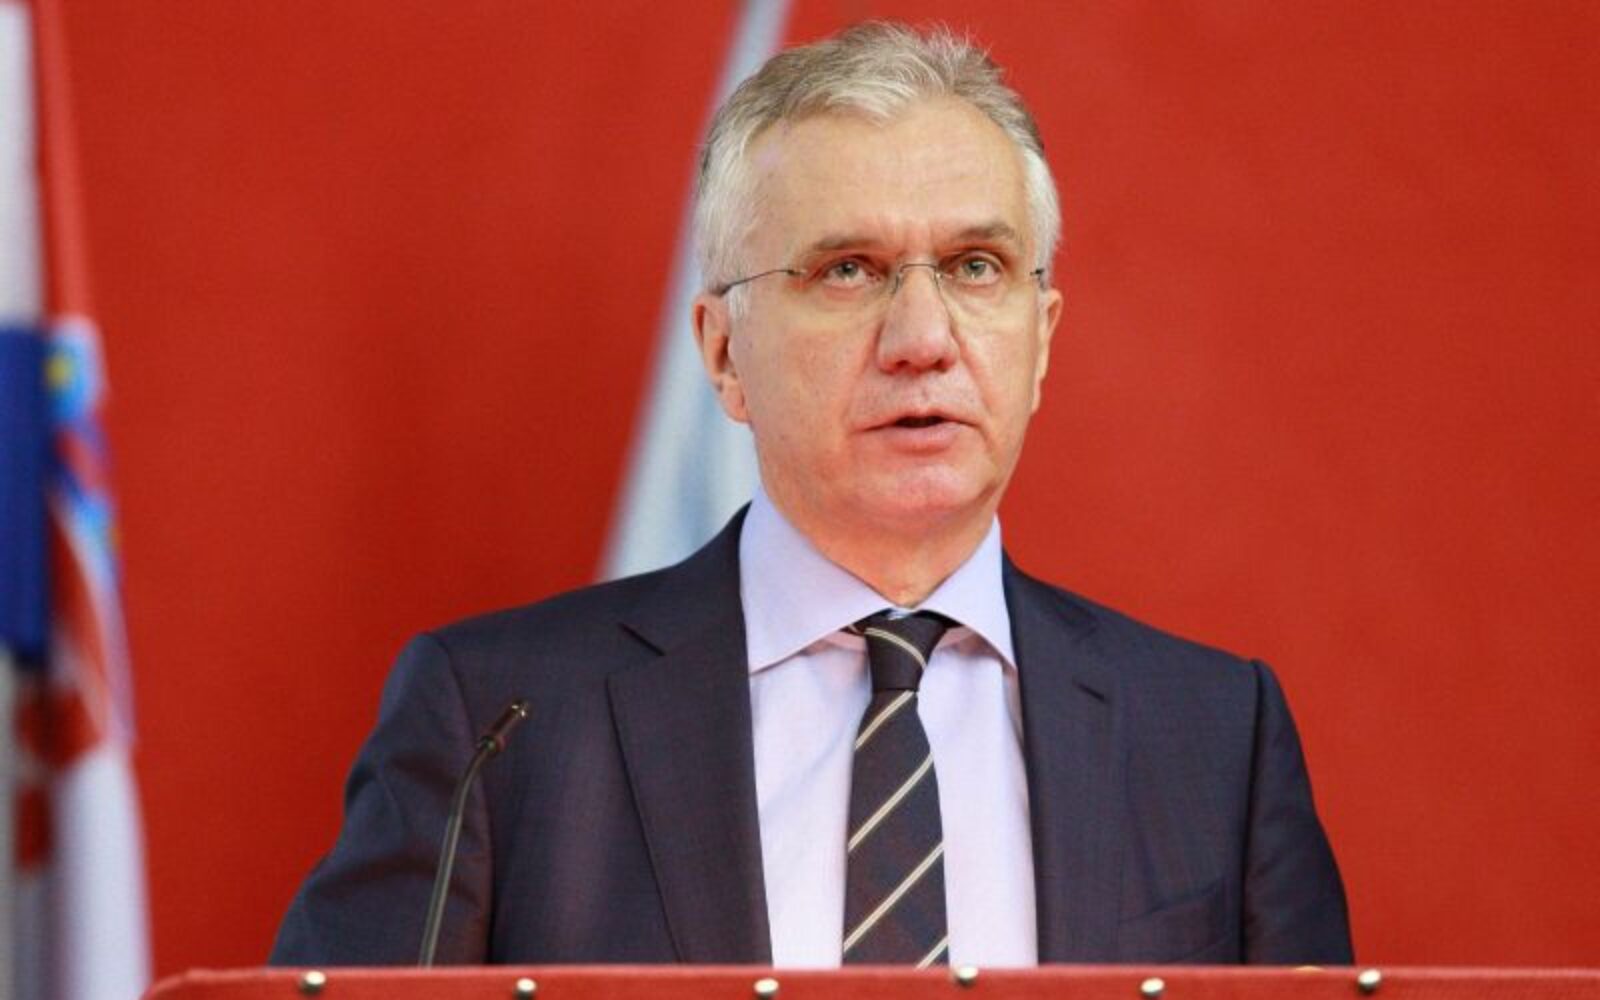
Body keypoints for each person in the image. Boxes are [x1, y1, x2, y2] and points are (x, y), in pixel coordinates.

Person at [271, 22, 1351, 968]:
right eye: (848, 271)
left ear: (1041, 341)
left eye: (976, 266)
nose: (922, 340)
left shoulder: (1216, 737)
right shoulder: (498, 722)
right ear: (723, 353)